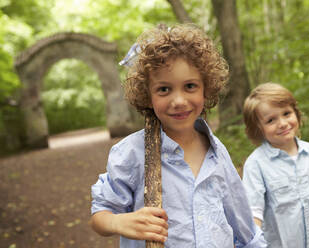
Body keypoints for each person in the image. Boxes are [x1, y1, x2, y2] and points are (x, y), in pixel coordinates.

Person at [90, 23, 266, 248]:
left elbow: (244, 227)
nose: (179, 101)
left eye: (190, 86)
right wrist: (118, 222)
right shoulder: (131, 153)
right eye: (164, 89)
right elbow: (100, 217)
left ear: (206, 88)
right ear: (147, 94)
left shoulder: (217, 151)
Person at [241, 82, 309, 248]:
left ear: (296, 113)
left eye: (286, 113)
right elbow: (254, 213)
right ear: (258, 128)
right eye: (271, 120)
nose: (282, 123)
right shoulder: (256, 164)